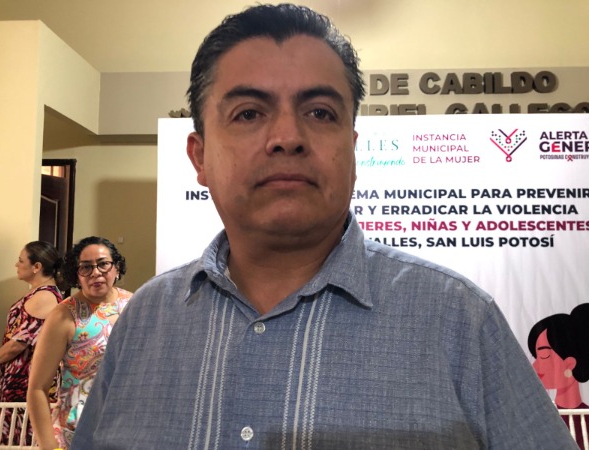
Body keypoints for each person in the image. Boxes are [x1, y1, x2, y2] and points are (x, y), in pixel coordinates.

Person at [71, 4, 577, 449]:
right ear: (199, 157)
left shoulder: (460, 321)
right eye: (248, 113)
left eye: (319, 112)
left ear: (352, 152)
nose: (287, 136)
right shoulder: (144, 322)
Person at [27, 236, 132, 449]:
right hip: (76, 434)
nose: (96, 273)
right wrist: (50, 447)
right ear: (76, 274)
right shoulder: (64, 315)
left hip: (125, 431)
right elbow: (37, 388)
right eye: (86, 267)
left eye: (103, 264)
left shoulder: (134, 305)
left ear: (116, 268)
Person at [0, 241, 63, 446]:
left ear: (36, 267)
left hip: (26, 384)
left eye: (21, 261)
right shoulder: (39, 294)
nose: (16, 265)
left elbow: (19, 343)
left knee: (20, 440)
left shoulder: (45, 297)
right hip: (19, 382)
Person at [528, 303, 589, 448]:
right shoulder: (540, 416)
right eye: (535, 357)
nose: (534, 366)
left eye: (544, 355)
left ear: (570, 363)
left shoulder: (584, 418)